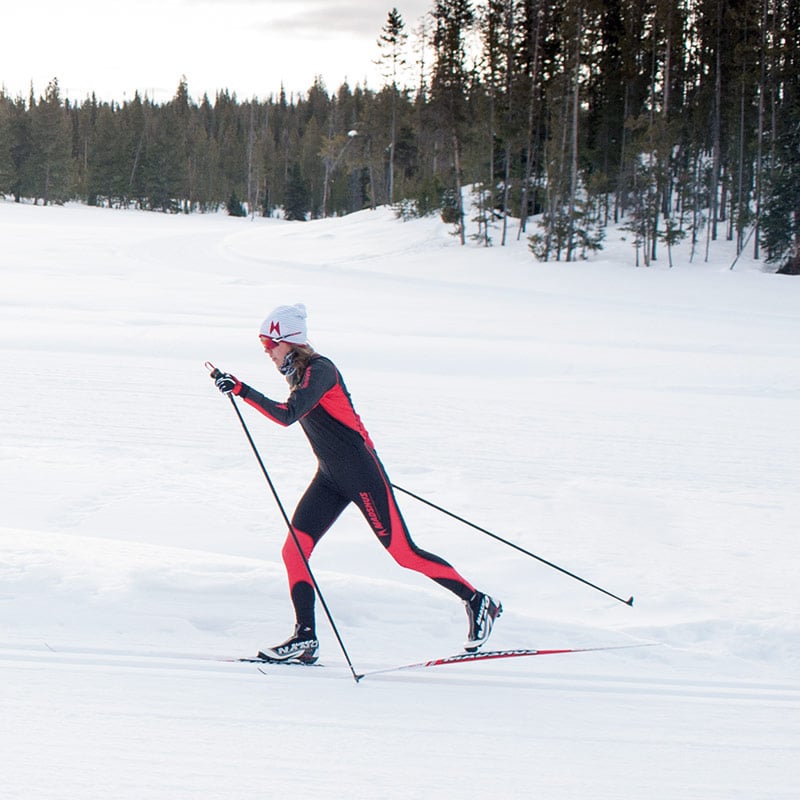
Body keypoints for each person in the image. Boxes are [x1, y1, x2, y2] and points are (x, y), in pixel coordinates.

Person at [212, 303, 501, 663]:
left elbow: (287, 415)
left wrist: (241, 389)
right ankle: (305, 638)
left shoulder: (321, 370)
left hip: (362, 474)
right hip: (331, 477)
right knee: (294, 551)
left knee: (404, 554)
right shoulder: (298, 375)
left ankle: (477, 601)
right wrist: (240, 389)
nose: (267, 352)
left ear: (289, 341)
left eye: (270, 344)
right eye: (264, 345)